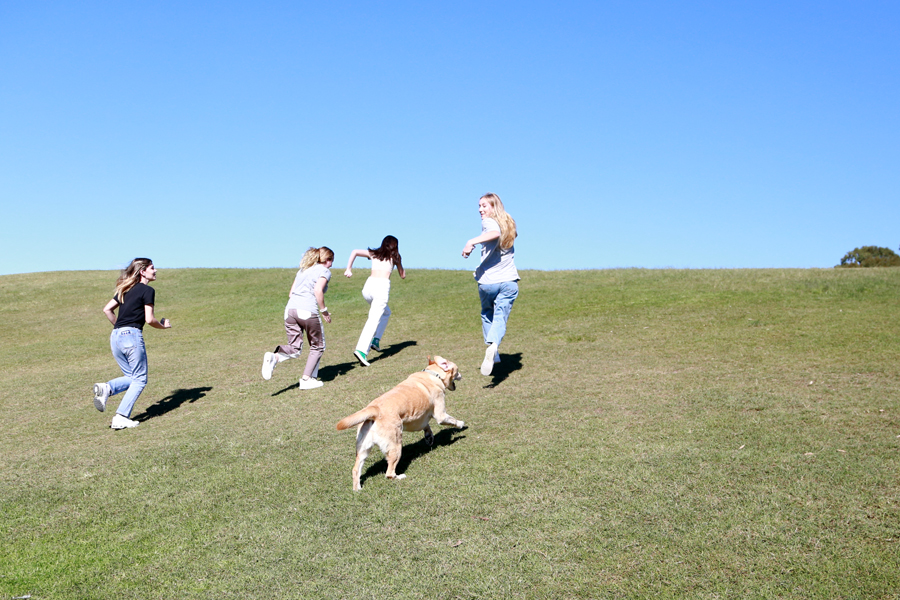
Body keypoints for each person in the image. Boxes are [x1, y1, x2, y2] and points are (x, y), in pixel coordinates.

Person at [92, 258, 172, 429]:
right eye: (152, 268)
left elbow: (107, 309)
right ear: (142, 271)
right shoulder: (147, 290)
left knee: (132, 377)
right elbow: (149, 319)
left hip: (115, 336)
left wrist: (120, 329)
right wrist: (163, 326)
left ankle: (107, 388)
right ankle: (121, 416)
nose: (155, 270)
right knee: (140, 379)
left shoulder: (125, 289)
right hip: (131, 336)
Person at [461, 193, 519, 376]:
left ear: (494, 207)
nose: (480, 210)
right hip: (509, 281)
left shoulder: (489, 222)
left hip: (488, 282)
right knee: (500, 317)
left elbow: (494, 234)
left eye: (484, 206)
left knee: (488, 314)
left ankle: (493, 351)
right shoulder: (508, 223)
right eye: (479, 206)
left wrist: (471, 241)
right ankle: (494, 346)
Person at [261, 246, 334, 389]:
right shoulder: (324, 271)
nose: (332, 264)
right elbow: (318, 290)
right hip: (308, 311)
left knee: (295, 349)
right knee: (318, 346)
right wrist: (324, 311)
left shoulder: (303, 270)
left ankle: (274, 357)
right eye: (332, 260)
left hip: (290, 310)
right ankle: (306, 380)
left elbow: (291, 293)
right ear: (327, 259)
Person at [344, 235, 406, 366]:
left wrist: (348, 268)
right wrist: (399, 262)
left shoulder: (374, 253)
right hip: (381, 288)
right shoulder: (395, 258)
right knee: (373, 319)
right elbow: (403, 275)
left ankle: (376, 340)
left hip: (368, 288)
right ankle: (361, 350)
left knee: (386, 312)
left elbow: (354, 251)